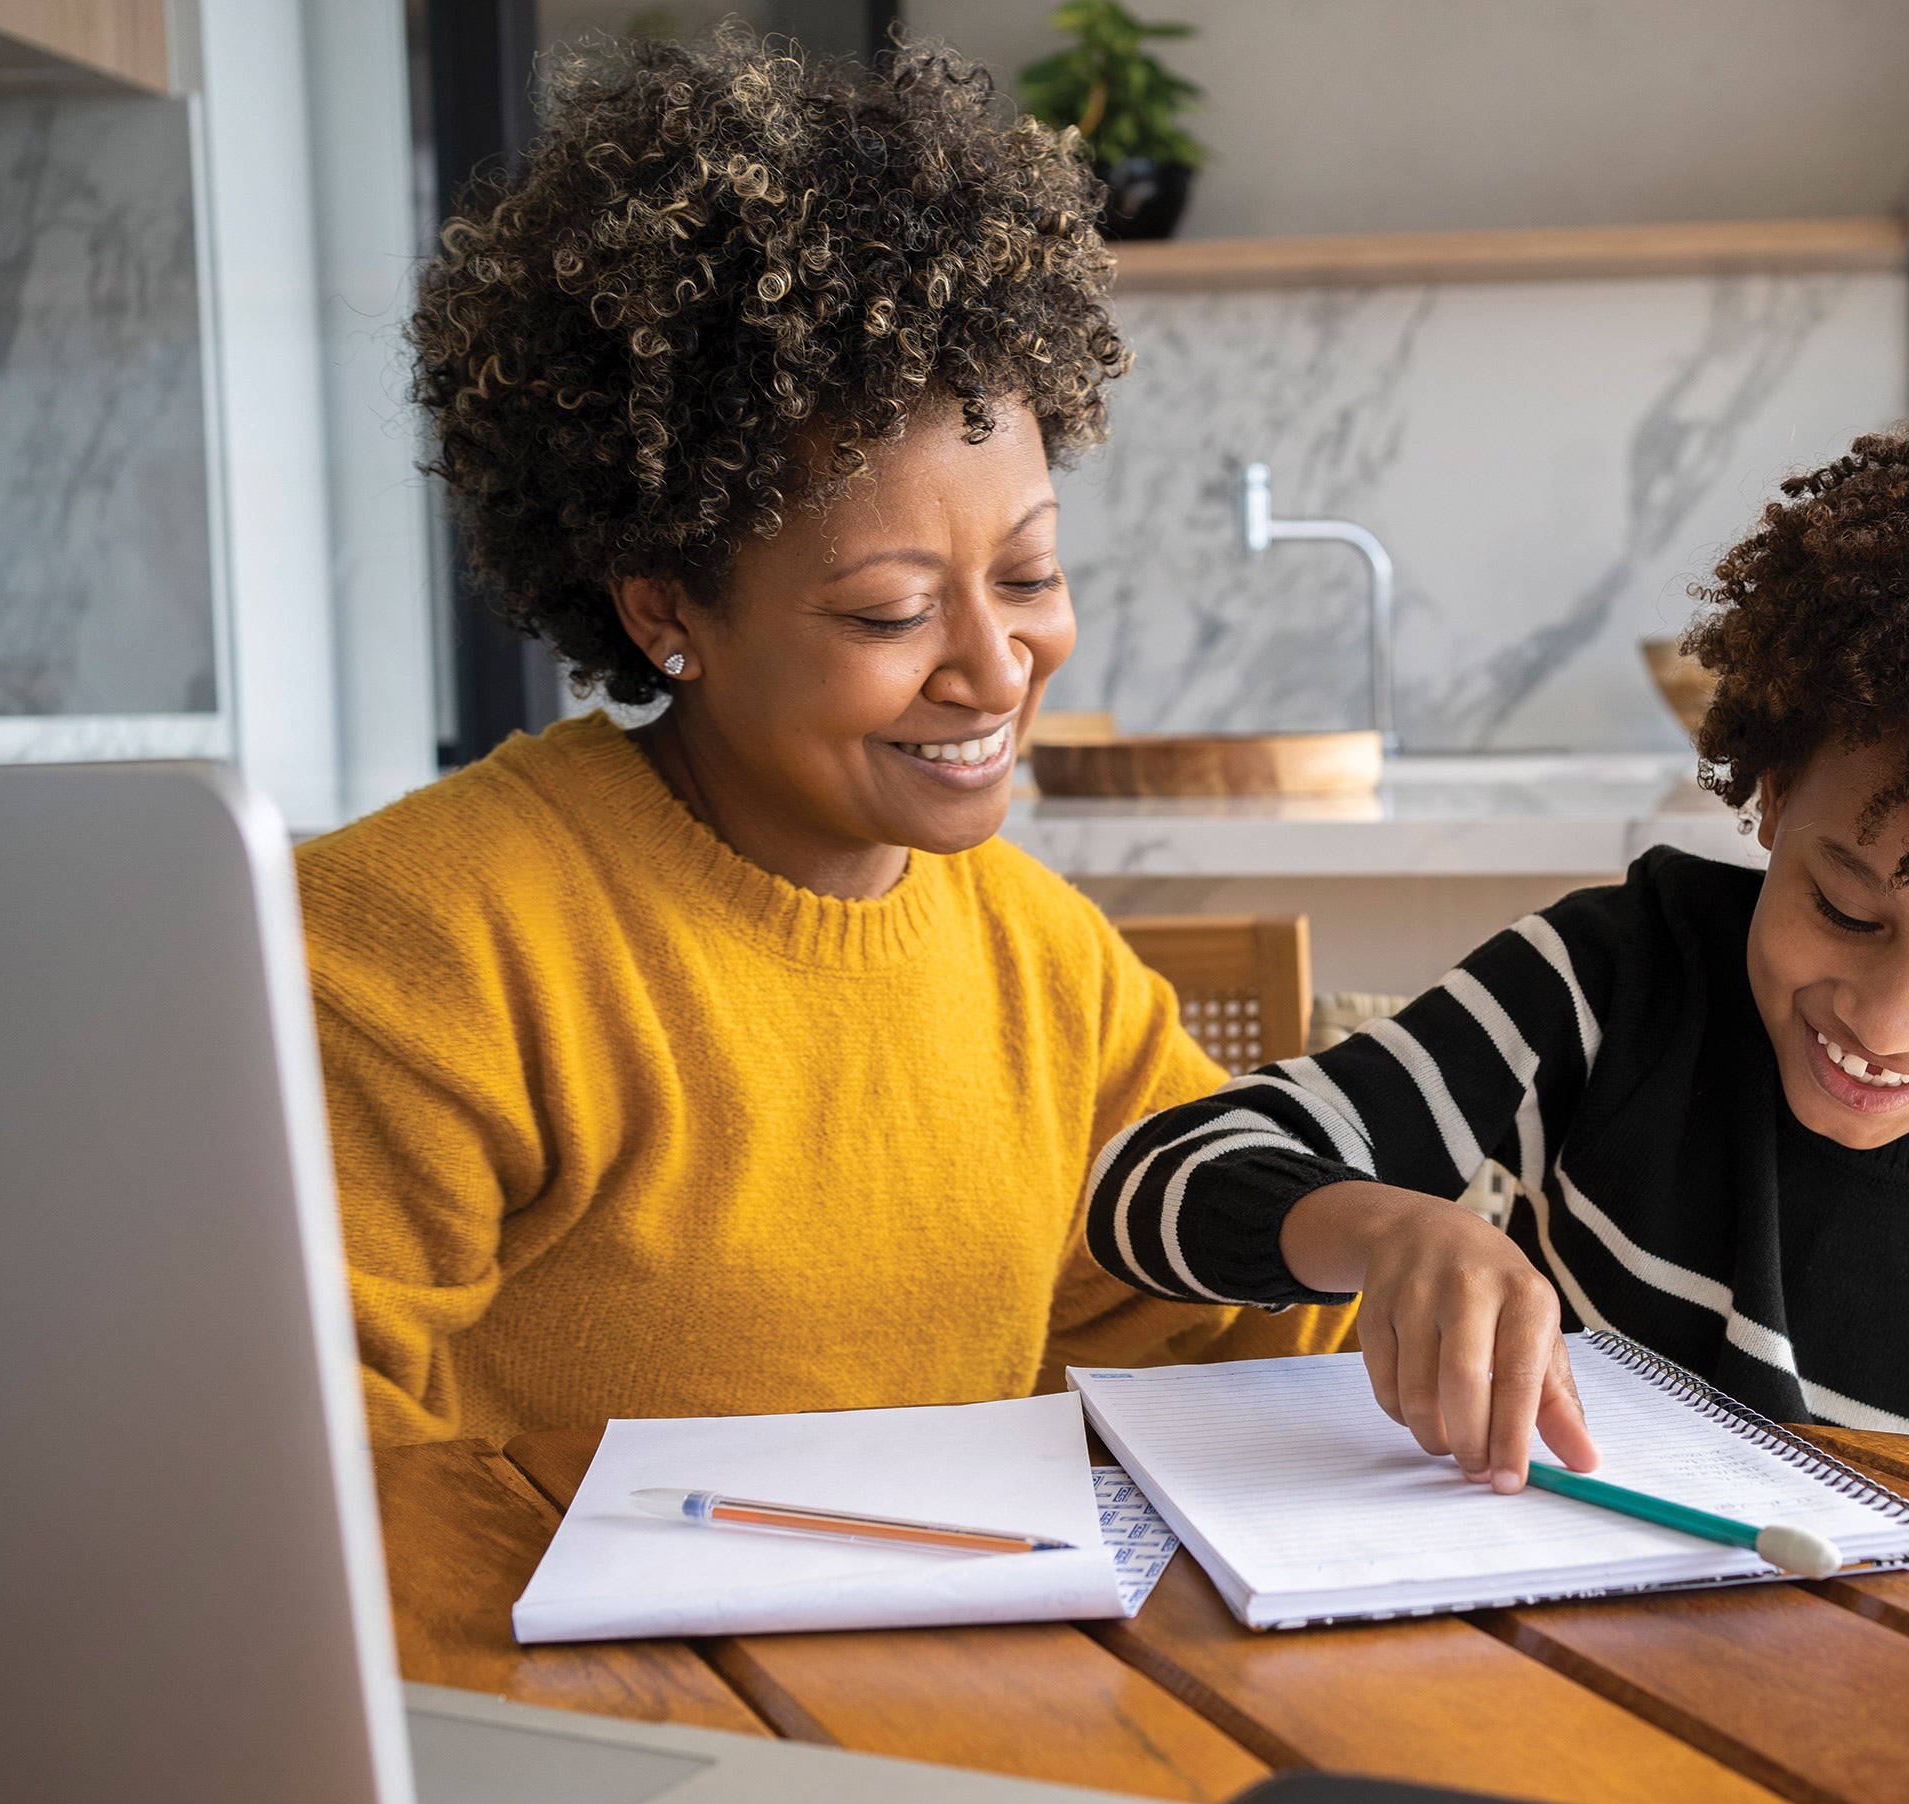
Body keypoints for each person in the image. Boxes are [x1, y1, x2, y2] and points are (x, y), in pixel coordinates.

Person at [300, 32, 1347, 1449]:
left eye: (1029, 577)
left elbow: (1208, 1310)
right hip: (556, 1676)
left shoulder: (1048, 963)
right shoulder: (425, 947)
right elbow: (303, 1465)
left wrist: (1392, 1247)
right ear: (668, 608)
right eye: (891, 613)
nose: (995, 668)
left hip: (966, 1668)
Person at [1088, 412, 1909, 1490]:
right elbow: (1152, 1187)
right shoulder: (1615, 984)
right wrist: (1383, 1230)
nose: (1887, 1019)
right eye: (1846, 908)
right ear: (1773, 797)